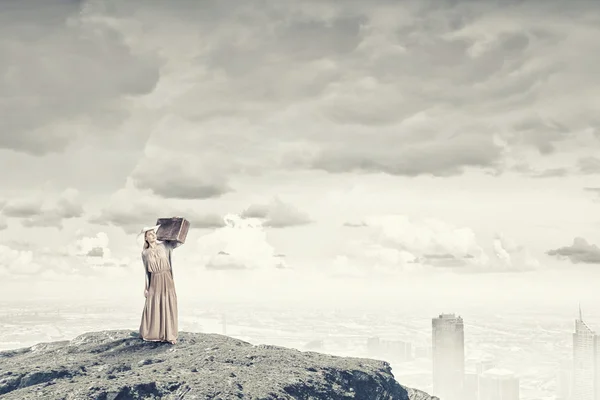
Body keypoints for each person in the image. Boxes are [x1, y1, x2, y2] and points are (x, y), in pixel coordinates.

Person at [138, 225, 182, 344]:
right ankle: (151, 333)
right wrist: (146, 287)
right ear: (145, 238)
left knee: (167, 303)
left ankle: (170, 335)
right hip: (154, 279)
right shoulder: (145, 253)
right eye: (149, 234)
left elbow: (178, 241)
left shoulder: (164, 245)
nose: (152, 235)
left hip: (166, 277)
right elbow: (146, 271)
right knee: (153, 305)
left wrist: (175, 223)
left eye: (153, 233)